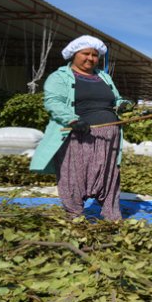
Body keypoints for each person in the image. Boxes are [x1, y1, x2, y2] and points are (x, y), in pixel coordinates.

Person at [30, 35, 133, 220]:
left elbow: (115, 99)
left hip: (109, 137)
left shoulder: (104, 77)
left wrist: (124, 104)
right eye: (85, 53)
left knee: (108, 176)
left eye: (95, 55)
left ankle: (112, 218)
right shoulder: (59, 77)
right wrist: (72, 120)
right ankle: (75, 217)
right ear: (74, 54)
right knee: (75, 176)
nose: (90, 58)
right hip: (79, 134)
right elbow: (54, 102)